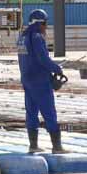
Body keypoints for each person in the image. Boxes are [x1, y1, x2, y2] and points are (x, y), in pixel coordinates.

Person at [18, 9, 66, 153]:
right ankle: (57, 147)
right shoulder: (37, 37)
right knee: (49, 112)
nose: (46, 27)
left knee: (31, 112)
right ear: (40, 23)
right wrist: (57, 68)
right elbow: (43, 59)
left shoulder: (22, 37)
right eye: (45, 24)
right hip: (40, 80)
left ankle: (33, 146)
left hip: (27, 79)